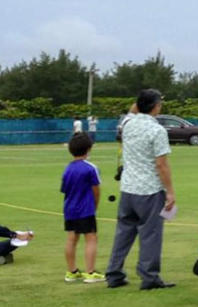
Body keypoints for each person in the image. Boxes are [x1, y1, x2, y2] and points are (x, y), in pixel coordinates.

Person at [105, 89, 177, 290]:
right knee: (151, 234)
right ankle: (149, 277)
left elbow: (132, 109)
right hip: (149, 190)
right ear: (155, 107)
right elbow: (161, 165)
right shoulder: (157, 131)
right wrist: (170, 191)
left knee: (123, 232)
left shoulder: (127, 123)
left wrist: (141, 101)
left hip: (128, 188)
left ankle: (114, 273)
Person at [61, 133, 104, 283]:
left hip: (69, 209)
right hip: (85, 209)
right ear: (89, 148)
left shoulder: (68, 169)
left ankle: (71, 271)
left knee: (71, 239)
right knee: (91, 238)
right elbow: (96, 190)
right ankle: (90, 272)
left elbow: (65, 189)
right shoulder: (90, 168)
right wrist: (95, 206)